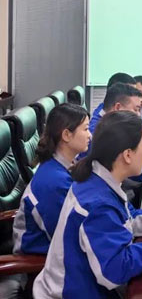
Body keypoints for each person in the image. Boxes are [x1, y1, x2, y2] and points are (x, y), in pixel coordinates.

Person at [33, 111, 142, 298]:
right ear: (127, 155)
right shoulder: (98, 203)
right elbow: (115, 271)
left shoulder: (99, 178)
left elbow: (124, 219)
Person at [13, 104, 91, 255]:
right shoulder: (54, 182)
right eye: (86, 129)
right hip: (39, 262)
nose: (90, 135)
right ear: (66, 135)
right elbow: (70, 236)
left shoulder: (63, 165)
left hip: (57, 252)